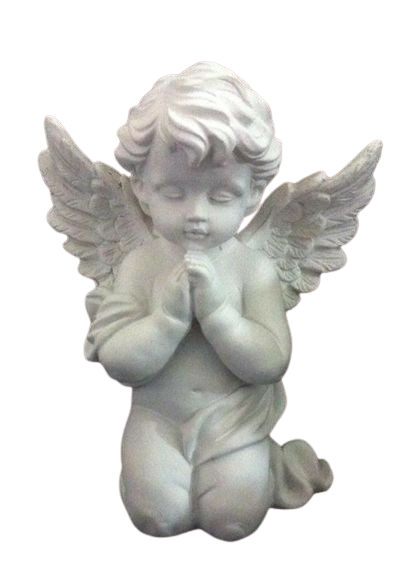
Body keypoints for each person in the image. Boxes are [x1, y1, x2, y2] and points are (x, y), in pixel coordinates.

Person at [84, 62, 331, 541]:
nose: (196, 214)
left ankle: (268, 465)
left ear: (253, 195)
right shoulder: (140, 265)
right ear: (141, 188)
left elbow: (272, 362)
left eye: (220, 196)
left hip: (235, 422)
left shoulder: (252, 269)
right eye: (175, 192)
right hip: (157, 421)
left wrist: (219, 315)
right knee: (156, 520)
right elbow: (119, 363)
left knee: (234, 523)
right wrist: (166, 319)